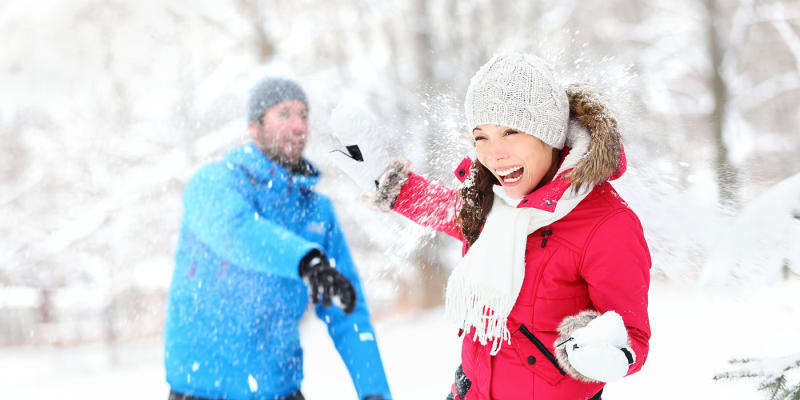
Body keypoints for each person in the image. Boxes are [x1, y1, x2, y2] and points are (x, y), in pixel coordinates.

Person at [368, 54, 651, 399]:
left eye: (510, 131)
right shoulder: (491, 200)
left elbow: (632, 333)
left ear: (548, 133)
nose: (494, 154)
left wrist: (607, 352)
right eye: (481, 137)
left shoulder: (608, 224)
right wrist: (389, 182)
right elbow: (444, 208)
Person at [163, 77, 392, 400]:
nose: (298, 126)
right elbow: (237, 231)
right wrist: (305, 262)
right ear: (254, 126)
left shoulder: (317, 213)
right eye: (284, 114)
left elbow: (346, 308)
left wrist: (374, 393)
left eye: (303, 115)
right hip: (203, 390)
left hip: (279, 389)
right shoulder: (213, 182)